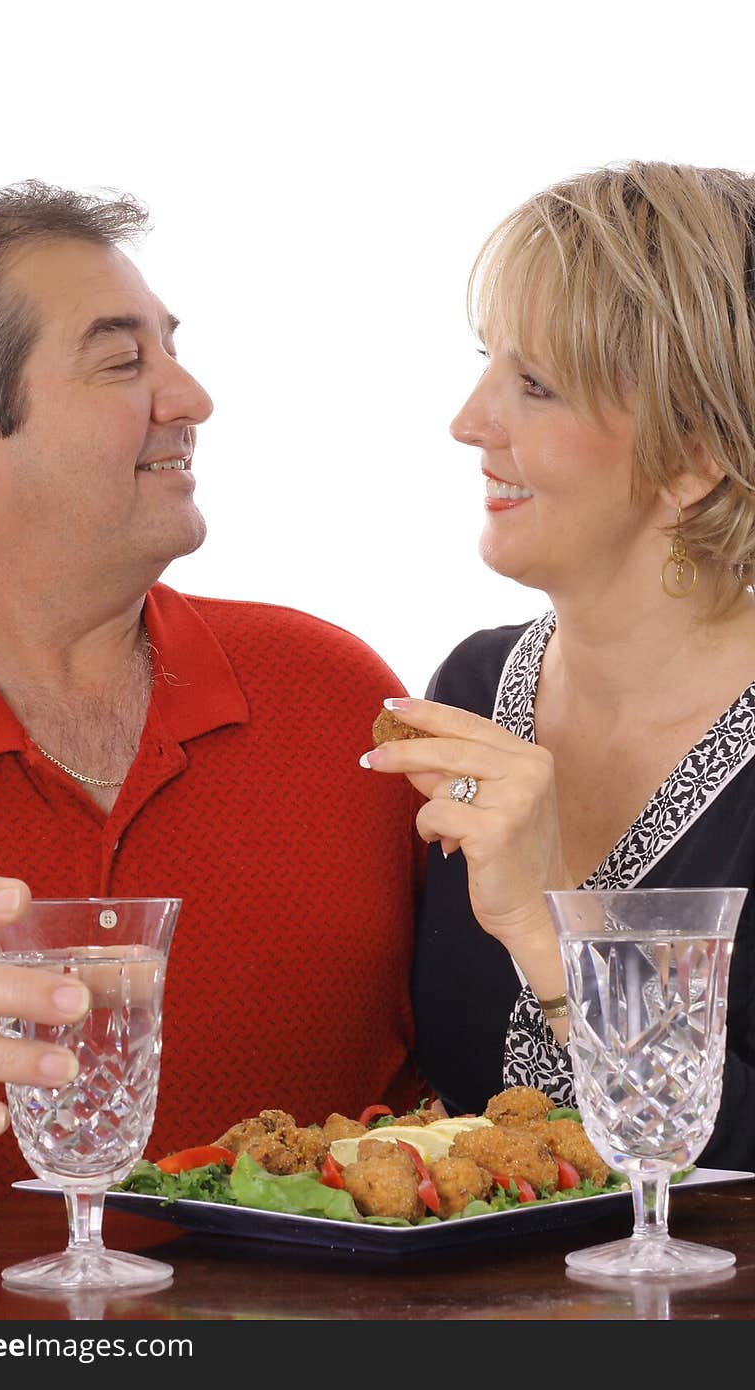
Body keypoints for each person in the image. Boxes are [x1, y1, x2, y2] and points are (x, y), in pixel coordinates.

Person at [0, 182, 424, 1209]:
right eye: (123, 361)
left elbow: (503, 1085)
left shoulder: (340, 698)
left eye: (169, 348)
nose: (191, 397)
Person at [359, 161, 755, 1171]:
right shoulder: (469, 692)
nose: (468, 421)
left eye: (532, 385)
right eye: (487, 363)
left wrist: (552, 934)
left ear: (693, 455)